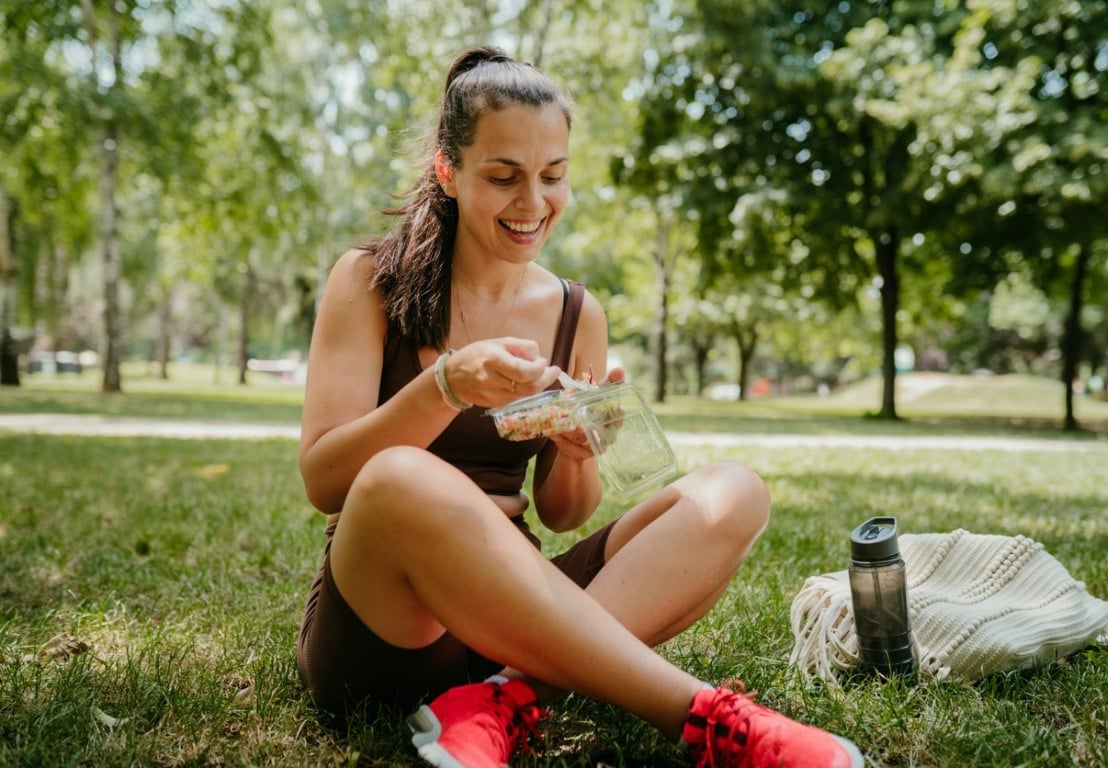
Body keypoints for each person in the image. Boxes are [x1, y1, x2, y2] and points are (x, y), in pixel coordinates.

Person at [295, 45, 864, 768]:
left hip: (514, 622)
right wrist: (446, 387)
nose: (534, 204)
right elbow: (326, 481)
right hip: (391, 628)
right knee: (398, 477)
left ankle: (503, 700)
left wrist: (575, 451)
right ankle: (705, 719)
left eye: (553, 176)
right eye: (504, 177)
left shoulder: (576, 313)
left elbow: (564, 513)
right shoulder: (368, 281)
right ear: (448, 170)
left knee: (734, 493)